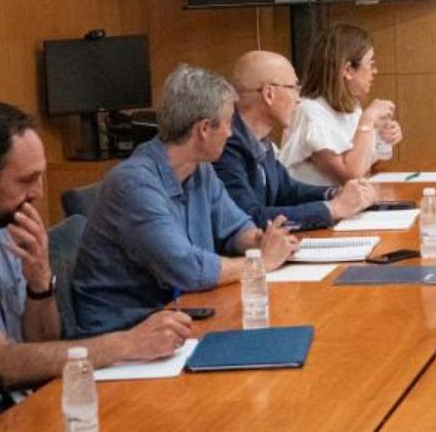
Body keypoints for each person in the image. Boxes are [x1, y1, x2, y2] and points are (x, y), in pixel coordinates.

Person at [0, 99, 192, 391]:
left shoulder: (5, 229)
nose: (37, 192)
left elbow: (42, 344)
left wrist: (39, 285)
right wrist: (127, 343)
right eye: (26, 180)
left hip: (37, 402)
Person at [72, 66, 297, 335]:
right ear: (203, 129)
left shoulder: (200, 169)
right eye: (227, 123)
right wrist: (260, 263)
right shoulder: (134, 185)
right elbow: (187, 269)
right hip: (123, 334)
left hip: (178, 315)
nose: (230, 133)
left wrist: (262, 240)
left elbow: (235, 228)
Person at [215, 51, 378, 231]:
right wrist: (333, 209)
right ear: (269, 94)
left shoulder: (259, 139)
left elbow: (288, 190)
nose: (298, 98)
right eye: (293, 88)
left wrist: (335, 193)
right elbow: (249, 219)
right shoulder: (224, 146)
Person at [279, 23, 402, 186]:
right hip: (316, 207)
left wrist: (380, 136)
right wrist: (367, 120)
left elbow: (362, 164)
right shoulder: (309, 112)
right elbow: (349, 174)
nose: (375, 71)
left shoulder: (351, 107)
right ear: (348, 70)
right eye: (370, 64)